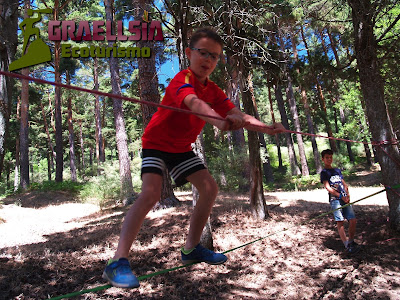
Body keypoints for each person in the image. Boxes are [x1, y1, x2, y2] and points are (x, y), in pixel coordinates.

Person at [103, 27, 285, 288]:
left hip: (180, 147)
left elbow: (240, 115)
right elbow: (195, 104)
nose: (209, 60)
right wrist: (221, 123)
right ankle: (117, 262)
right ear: (189, 53)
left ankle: (190, 249)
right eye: (203, 53)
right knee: (151, 194)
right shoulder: (182, 80)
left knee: (209, 187)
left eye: (215, 56)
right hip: (156, 143)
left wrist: (268, 127)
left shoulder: (214, 90)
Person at [320, 149, 360, 254]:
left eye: (330, 157)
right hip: (335, 200)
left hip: (344, 198)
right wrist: (340, 195)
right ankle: (346, 244)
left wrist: (347, 194)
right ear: (323, 159)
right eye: (327, 158)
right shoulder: (324, 173)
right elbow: (328, 187)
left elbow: (344, 184)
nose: (329, 159)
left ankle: (351, 241)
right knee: (340, 221)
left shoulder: (337, 170)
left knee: (353, 220)